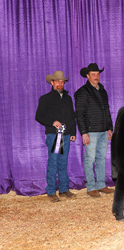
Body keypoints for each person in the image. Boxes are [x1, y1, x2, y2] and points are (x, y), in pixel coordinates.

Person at [35, 71, 77, 202]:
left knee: (63, 162)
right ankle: (52, 191)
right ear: (52, 82)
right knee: (53, 162)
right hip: (54, 135)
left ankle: (64, 189)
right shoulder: (45, 98)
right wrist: (52, 123)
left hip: (66, 135)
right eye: (58, 81)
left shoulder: (68, 98)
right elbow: (39, 116)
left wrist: (73, 132)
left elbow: (71, 116)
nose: (60, 84)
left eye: (62, 81)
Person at [74, 63, 114, 198]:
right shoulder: (82, 92)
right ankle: (91, 186)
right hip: (91, 131)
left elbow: (107, 110)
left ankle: (101, 184)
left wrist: (109, 127)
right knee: (90, 158)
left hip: (103, 130)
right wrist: (84, 132)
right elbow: (79, 114)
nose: (96, 76)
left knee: (101, 158)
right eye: (93, 74)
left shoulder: (102, 91)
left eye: (97, 74)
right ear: (87, 76)